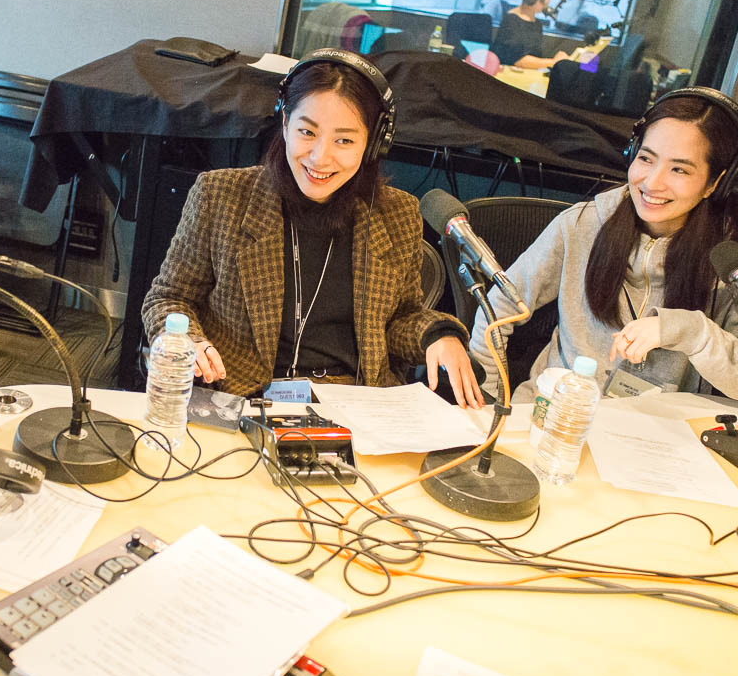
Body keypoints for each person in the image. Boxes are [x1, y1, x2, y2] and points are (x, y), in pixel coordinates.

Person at [141, 49, 484, 408]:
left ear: (373, 144)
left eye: (344, 140)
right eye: (307, 132)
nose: (320, 157)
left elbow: (400, 319)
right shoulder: (220, 195)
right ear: (285, 123)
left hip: (356, 404)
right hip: (244, 399)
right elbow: (168, 298)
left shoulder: (397, 213)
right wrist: (189, 342)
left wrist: (437, 335)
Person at [467, 87, 738, 405]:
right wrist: (490, 400)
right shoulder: (581, 224)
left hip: (654, 432)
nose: (652, 182)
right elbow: (497, 310)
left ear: (717, 183)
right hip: (555, 415)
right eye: (646, 159)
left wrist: (693, 332)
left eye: (679, 169)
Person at [490, 0, 571, 70]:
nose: (548, 1)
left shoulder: (537, 24)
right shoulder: (511, 20)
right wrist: (554, 62)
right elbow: (519, 60)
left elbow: (534, 58)